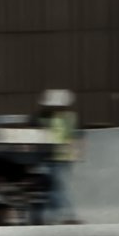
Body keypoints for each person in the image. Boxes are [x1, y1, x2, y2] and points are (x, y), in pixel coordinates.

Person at [38, 89, 82, 225]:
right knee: (55, 187)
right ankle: (57, 216)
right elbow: (75, 137)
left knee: (55, 188)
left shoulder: (53, 119)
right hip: (60, 157)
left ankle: (66, 215)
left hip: (57, 157)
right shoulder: (68, 117)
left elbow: (71, 137)